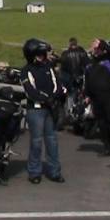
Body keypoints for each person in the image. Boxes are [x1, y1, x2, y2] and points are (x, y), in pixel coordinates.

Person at [20, 39, 65, 184]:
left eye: (42, 54)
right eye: (38, 55)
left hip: (50, 108)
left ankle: (55, 171)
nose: (42, 57)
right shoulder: (26, 71)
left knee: (52, 141)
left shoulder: (48, 67)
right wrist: (46, 99)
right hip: (36, 110)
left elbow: (57, 84)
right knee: (36, 142)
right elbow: (30, 91)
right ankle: (34, 172)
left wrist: (54, 97)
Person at [85, 39, 110, 158]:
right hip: (97, 98)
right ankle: (108, 147)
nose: (95, 50)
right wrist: (87, 94)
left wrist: (103, 45)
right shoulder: (91, 62)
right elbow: (88, 79)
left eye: (97, 48)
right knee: (102, 124)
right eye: (94, 48)